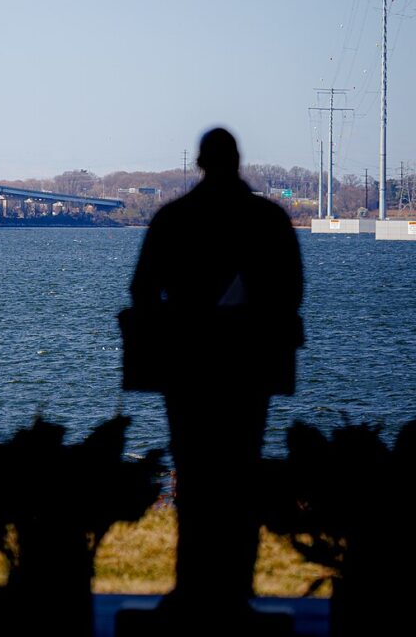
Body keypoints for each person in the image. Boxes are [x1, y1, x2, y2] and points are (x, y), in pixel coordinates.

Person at [124, 127, 303, 619]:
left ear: (200, 163)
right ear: (238, 160)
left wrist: (183, 320)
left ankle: (191, 589)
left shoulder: (174, 219)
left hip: (187, 367)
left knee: (196, 472)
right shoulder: (268, 219)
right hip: (251, 366)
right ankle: (235, 592)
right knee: (240, 473)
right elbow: (292, 293)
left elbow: (142, 291)